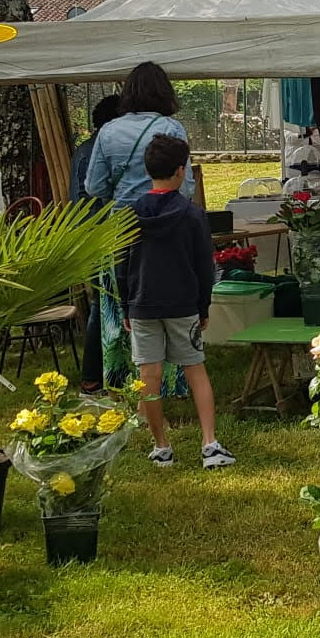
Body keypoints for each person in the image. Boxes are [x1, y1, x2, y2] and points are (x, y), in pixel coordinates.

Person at [119, 134, 230, 470]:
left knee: (148, 376)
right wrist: (204, 306)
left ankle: (161, 446)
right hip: (183, 304)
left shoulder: (130, 214)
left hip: (141, 303)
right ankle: (209, 443)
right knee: (195, 369)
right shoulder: (192, 214)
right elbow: (204, 265)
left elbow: (121, 265)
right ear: (181, 171)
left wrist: (126, 306)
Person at [68, 95, 122, 390]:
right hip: (101, 234)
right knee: (105, 305)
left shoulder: (82, 149)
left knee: (101, 303)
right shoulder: (102, 150)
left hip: (83, 234)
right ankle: (93, 377)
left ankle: (103, 374)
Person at [85, 63, 193, 207]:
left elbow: (94, 186)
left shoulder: (109, 130)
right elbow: (186, 187)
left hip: (122, 219)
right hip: (163, 215)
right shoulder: (172, 128)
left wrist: (120, 192)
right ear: (166, 93)